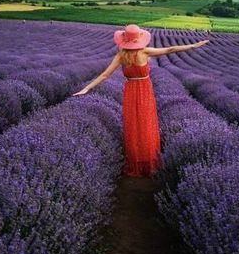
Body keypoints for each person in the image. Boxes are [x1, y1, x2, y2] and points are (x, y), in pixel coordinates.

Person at [74, 24, 209, 177]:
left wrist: (87, 88)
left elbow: (105, 75)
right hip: (145, 90)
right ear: (138, 39)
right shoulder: (144, 52)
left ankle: (135, 161)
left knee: (133, 124)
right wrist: (193, 46)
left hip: (130, 90)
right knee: (146, 123)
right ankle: (149, 161)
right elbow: (170, 50)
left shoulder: (120, 56)